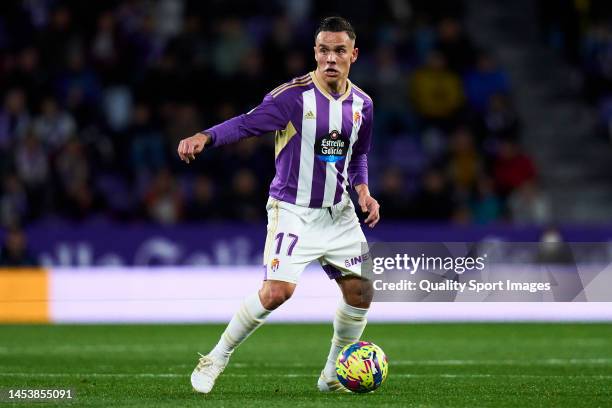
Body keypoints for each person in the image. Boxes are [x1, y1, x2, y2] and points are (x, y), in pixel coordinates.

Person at [177, 16, 380, 393]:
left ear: (354, 54)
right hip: (293, 210)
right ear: (315, 52)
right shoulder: (292, 97)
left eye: (338, 51)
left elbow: (359, 156)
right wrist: (206, 136)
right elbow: (246, 123)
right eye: (323, 50)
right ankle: (216, 356)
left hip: (338, 213)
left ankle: (333, 372)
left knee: (361, 291)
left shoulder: (363, 105)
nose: (330, 58)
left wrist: (363, 190)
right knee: (277, 292)